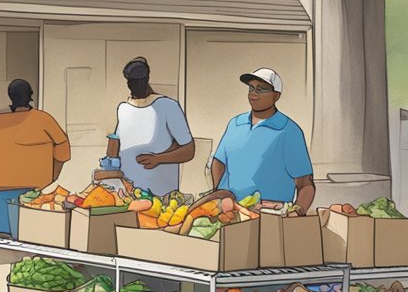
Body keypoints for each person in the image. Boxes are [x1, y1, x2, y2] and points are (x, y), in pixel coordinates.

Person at [0, 79, 71, 238]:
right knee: (35, 240)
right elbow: (63, 147)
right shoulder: (44, 119)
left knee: (2, 241)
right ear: (30, 96)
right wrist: (54, 175)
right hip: (35, 193)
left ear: (10, 97)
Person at [211, 68, 316, 212]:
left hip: (268, 216)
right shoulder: (235, 123)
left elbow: (305, 184)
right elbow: (219, 162)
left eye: (261, 89)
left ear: (276, 95)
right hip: (228, 212)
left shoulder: (289, 131)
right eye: (251, 88)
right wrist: (220, 193)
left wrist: (298, 212)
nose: (253, 93)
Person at [106, 57, 195, 196]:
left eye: (140, 81)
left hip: (160, 194)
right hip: (128, 194)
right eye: (132, 82)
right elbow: (116, 147)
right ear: (128, 83)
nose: (136, 86)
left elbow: (189, 150)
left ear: (147, 80)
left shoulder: (167, 106)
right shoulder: (124, 109)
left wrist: (158, 159)